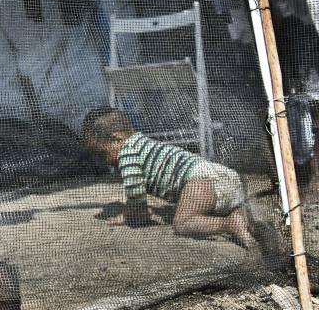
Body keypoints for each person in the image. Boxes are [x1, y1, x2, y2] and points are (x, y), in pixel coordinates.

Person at [81, 106, 256, 248]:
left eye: (103, 154)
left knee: (182, 223)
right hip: (227, 177)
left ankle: (228, 224)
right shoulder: (142, 142)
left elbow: (135, 191)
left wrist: (134, 213)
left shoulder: (127, 153)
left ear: (117, 138)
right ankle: (246, 226)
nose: (106, 161)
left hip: (201, 180)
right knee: (232, 211)